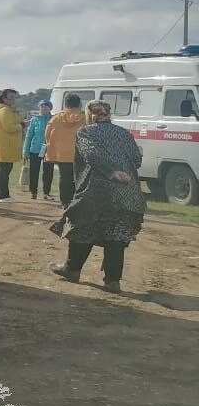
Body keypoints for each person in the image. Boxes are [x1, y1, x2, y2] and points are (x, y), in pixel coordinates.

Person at [48, 101, 145, 293]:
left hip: (97, 190)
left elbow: (91, 153)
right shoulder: (124, 133)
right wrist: (122, 169)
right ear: (109, 114)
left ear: (89, 115)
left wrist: (111, 171)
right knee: (116, 234)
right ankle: (112, 281)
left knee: (83, 226)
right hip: (128, 192)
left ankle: (72, 269)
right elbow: (137, 159)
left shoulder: (86, 132)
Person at [45, 92, 84, 207]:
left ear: (65, 104)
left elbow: (47, 135)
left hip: (60, 154)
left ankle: (65, 202)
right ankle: (75, 201)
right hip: (78, 153)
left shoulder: (55, 118)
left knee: (64, 177)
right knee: (78, 178)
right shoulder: (85, 118)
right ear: (79, 104)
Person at [0, 89, 23, 202]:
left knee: (1, 169)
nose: (13, 100)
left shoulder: (1, 110)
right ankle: (3, 195)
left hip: (1, 144)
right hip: (5, 145)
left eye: (14, 97)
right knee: (4, 170)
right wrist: (22, 125)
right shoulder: (5, 111)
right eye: (11, 97)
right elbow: (10, 127)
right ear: (4, 99)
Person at [23, 100, 54, 200]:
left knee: (48, 171)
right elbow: (29, 136)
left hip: (49, 150)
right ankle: (33, 192)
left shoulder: (54, 119)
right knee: (34, 171)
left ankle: (46, 193)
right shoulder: (34, 119)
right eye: (42, 106)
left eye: (46, 106)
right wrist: (25, 151)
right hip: (35, 149)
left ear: (50, 108)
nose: (44, 108)